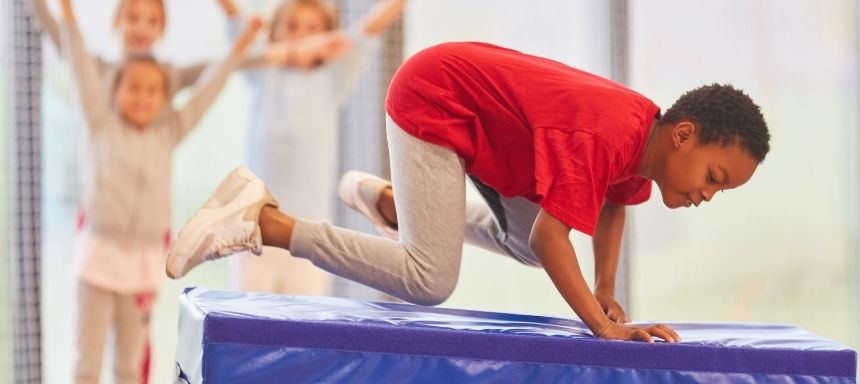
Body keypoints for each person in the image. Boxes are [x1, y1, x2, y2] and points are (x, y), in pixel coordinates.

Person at [165, 42, 771, 343]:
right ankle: (264, 220)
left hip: (494, 143)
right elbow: (553, 233)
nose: (708, 196)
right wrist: (603, 327)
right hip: (437, 101)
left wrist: (608, 290)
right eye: (713, 179)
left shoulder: (645, 150)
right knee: (430, 279)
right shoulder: (609, 135)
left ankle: (401, 208)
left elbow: (613, 204)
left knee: (528, 249)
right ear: (684, 136)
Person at [60, 0, 261, 381]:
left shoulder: (169, 130)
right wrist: (68, 15)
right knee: (86, 364)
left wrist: (238, 48)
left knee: (129, 364)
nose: (142, 97)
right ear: (114, 91)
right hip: (97, 262)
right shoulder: (100, 122)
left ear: (164, 99)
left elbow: (207, 89)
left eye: (153, 91)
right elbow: (81, 66)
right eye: (133, 88)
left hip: (142, 265)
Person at [216, 0, 407, 295]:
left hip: (308, 230)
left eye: (312, 29)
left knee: (303, 327)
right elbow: (233, 17)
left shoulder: (333, 75)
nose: (301, 36)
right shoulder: (263, 70)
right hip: (253, 227)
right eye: (292, 27)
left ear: (329, 38)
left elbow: (370, 28)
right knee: (246, 324)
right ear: (275, 32)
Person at [30, 0, 209, 98]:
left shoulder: (169, 77)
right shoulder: (96, 71)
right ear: (117, 21)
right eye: (133, 18)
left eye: (152, 21)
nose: (141, 29)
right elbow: (59, 36)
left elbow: (225, 65)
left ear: (162, 29)